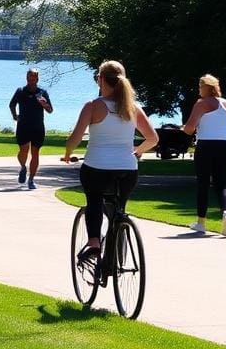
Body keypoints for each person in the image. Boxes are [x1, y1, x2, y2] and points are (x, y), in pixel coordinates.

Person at [62, 61, 159, 258]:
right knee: (119, 209)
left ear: (101, 80)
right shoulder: (133, 108)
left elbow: (76, 137)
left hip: (97, 167)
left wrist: (67, 154)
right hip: (127, 170)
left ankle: (94, 242)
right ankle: (117, 253)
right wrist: (137, 151)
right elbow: (153, 139)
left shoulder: (93, 106)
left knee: (94, 200)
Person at [181, 74, 226, 236]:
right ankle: (225, 213)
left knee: (203, 183)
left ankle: (201, 222)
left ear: (206, 87)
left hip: (206, 146)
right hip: (225, 145)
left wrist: (183, 128)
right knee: (221, 184)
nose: (199, 90)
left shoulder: (202, 103)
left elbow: (189, 128)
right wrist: (223, 134)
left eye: (200, 86)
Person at [8, 68, 53, 190]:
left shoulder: (42, 92)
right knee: (23, 151)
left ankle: (31, 179)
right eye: (29, 76)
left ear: (37, 79)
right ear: (26, 78)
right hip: (23, 126)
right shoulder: (20, 91)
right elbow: (12, 104)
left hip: (38, 126)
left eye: (33, 77)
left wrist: (45, 105)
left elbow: (50, 110)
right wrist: (14, 116)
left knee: (35, 152)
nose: (31, 79)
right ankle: (23, 167)